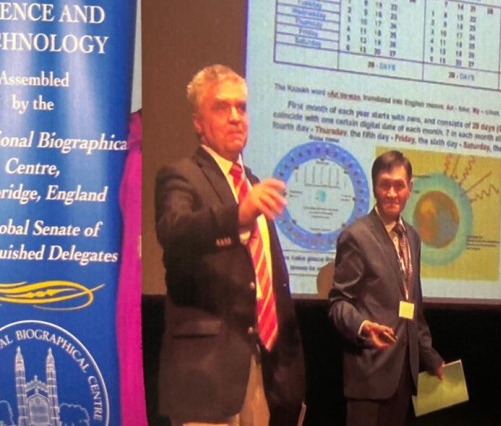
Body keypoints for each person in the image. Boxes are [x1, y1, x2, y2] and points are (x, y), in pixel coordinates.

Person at [155, 64, 305, 426]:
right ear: (198, 122)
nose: (236, 117)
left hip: (263, 374)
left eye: (242, 107)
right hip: (205, 377)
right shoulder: (181, 176)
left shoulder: (252, 183)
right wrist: (238, 215)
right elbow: (174, 231)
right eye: (222, 107)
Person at [329, 150, 443, 426]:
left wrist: (431, 358)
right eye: (385, 185)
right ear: (374, 187)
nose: (392, 193)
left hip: (404, 376)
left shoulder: (412, 237)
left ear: (410, 188)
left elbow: (413, 307)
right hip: (370, 373)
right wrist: (362, 326)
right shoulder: (356, 236)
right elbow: (338, 302)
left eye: (399, 185)